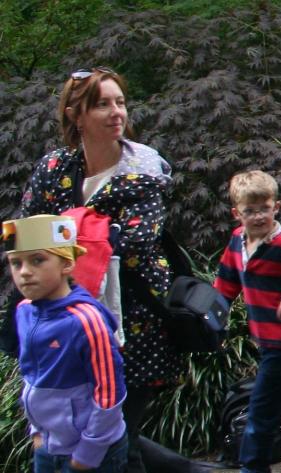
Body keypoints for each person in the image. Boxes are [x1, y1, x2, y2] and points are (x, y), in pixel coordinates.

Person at [16, 67, 183, 472]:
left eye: (120, 102)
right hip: (62, 324)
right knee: (101, 435)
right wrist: (85, 233)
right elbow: (28, 233)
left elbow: (136, 240)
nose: (116, 112)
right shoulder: (55, 167)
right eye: (103, 104)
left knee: (118, 430)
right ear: (77, 115)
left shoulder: (144, 166)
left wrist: (63, 238)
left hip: (135, 322)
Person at [4, 214, 127, 472]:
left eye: (38, 260)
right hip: (48, 446)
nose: (24, 272)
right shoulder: (24, 310)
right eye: (16, 263)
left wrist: (86, 455)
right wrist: (37, 432)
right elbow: (32, 374)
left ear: (67, 264)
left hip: (92, 454)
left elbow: (110, 393)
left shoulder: (87, 321)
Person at [213, 170, 281, 473]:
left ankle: (252, 466)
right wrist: (214, 316)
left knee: (261, 413)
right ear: (236, 213)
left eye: (264, 209)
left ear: (276, 206)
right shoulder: (237, 243)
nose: (258, 217)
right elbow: (226, 283)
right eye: (249, 211)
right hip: (266, 341)